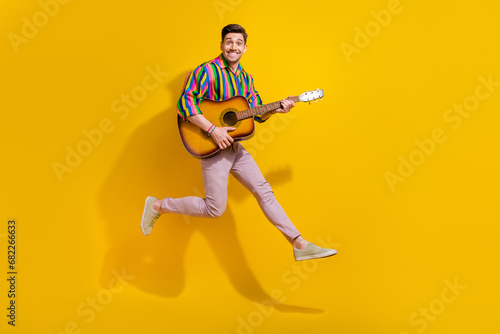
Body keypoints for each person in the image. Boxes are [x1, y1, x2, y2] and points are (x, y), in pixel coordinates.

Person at [140, 24, 337, 261]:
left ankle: (299, 244)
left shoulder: (246, 78)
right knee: (215, 209)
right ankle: (158, 206)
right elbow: (184, 104)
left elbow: (256, 113)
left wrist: (278, 109)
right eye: (229, 41)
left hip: (234, 145)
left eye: (238, 43)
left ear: (245, 48)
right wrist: (213, 130)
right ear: (222, 45)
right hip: (211, 145)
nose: (233, 46)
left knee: (264, 191)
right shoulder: (207, 71)